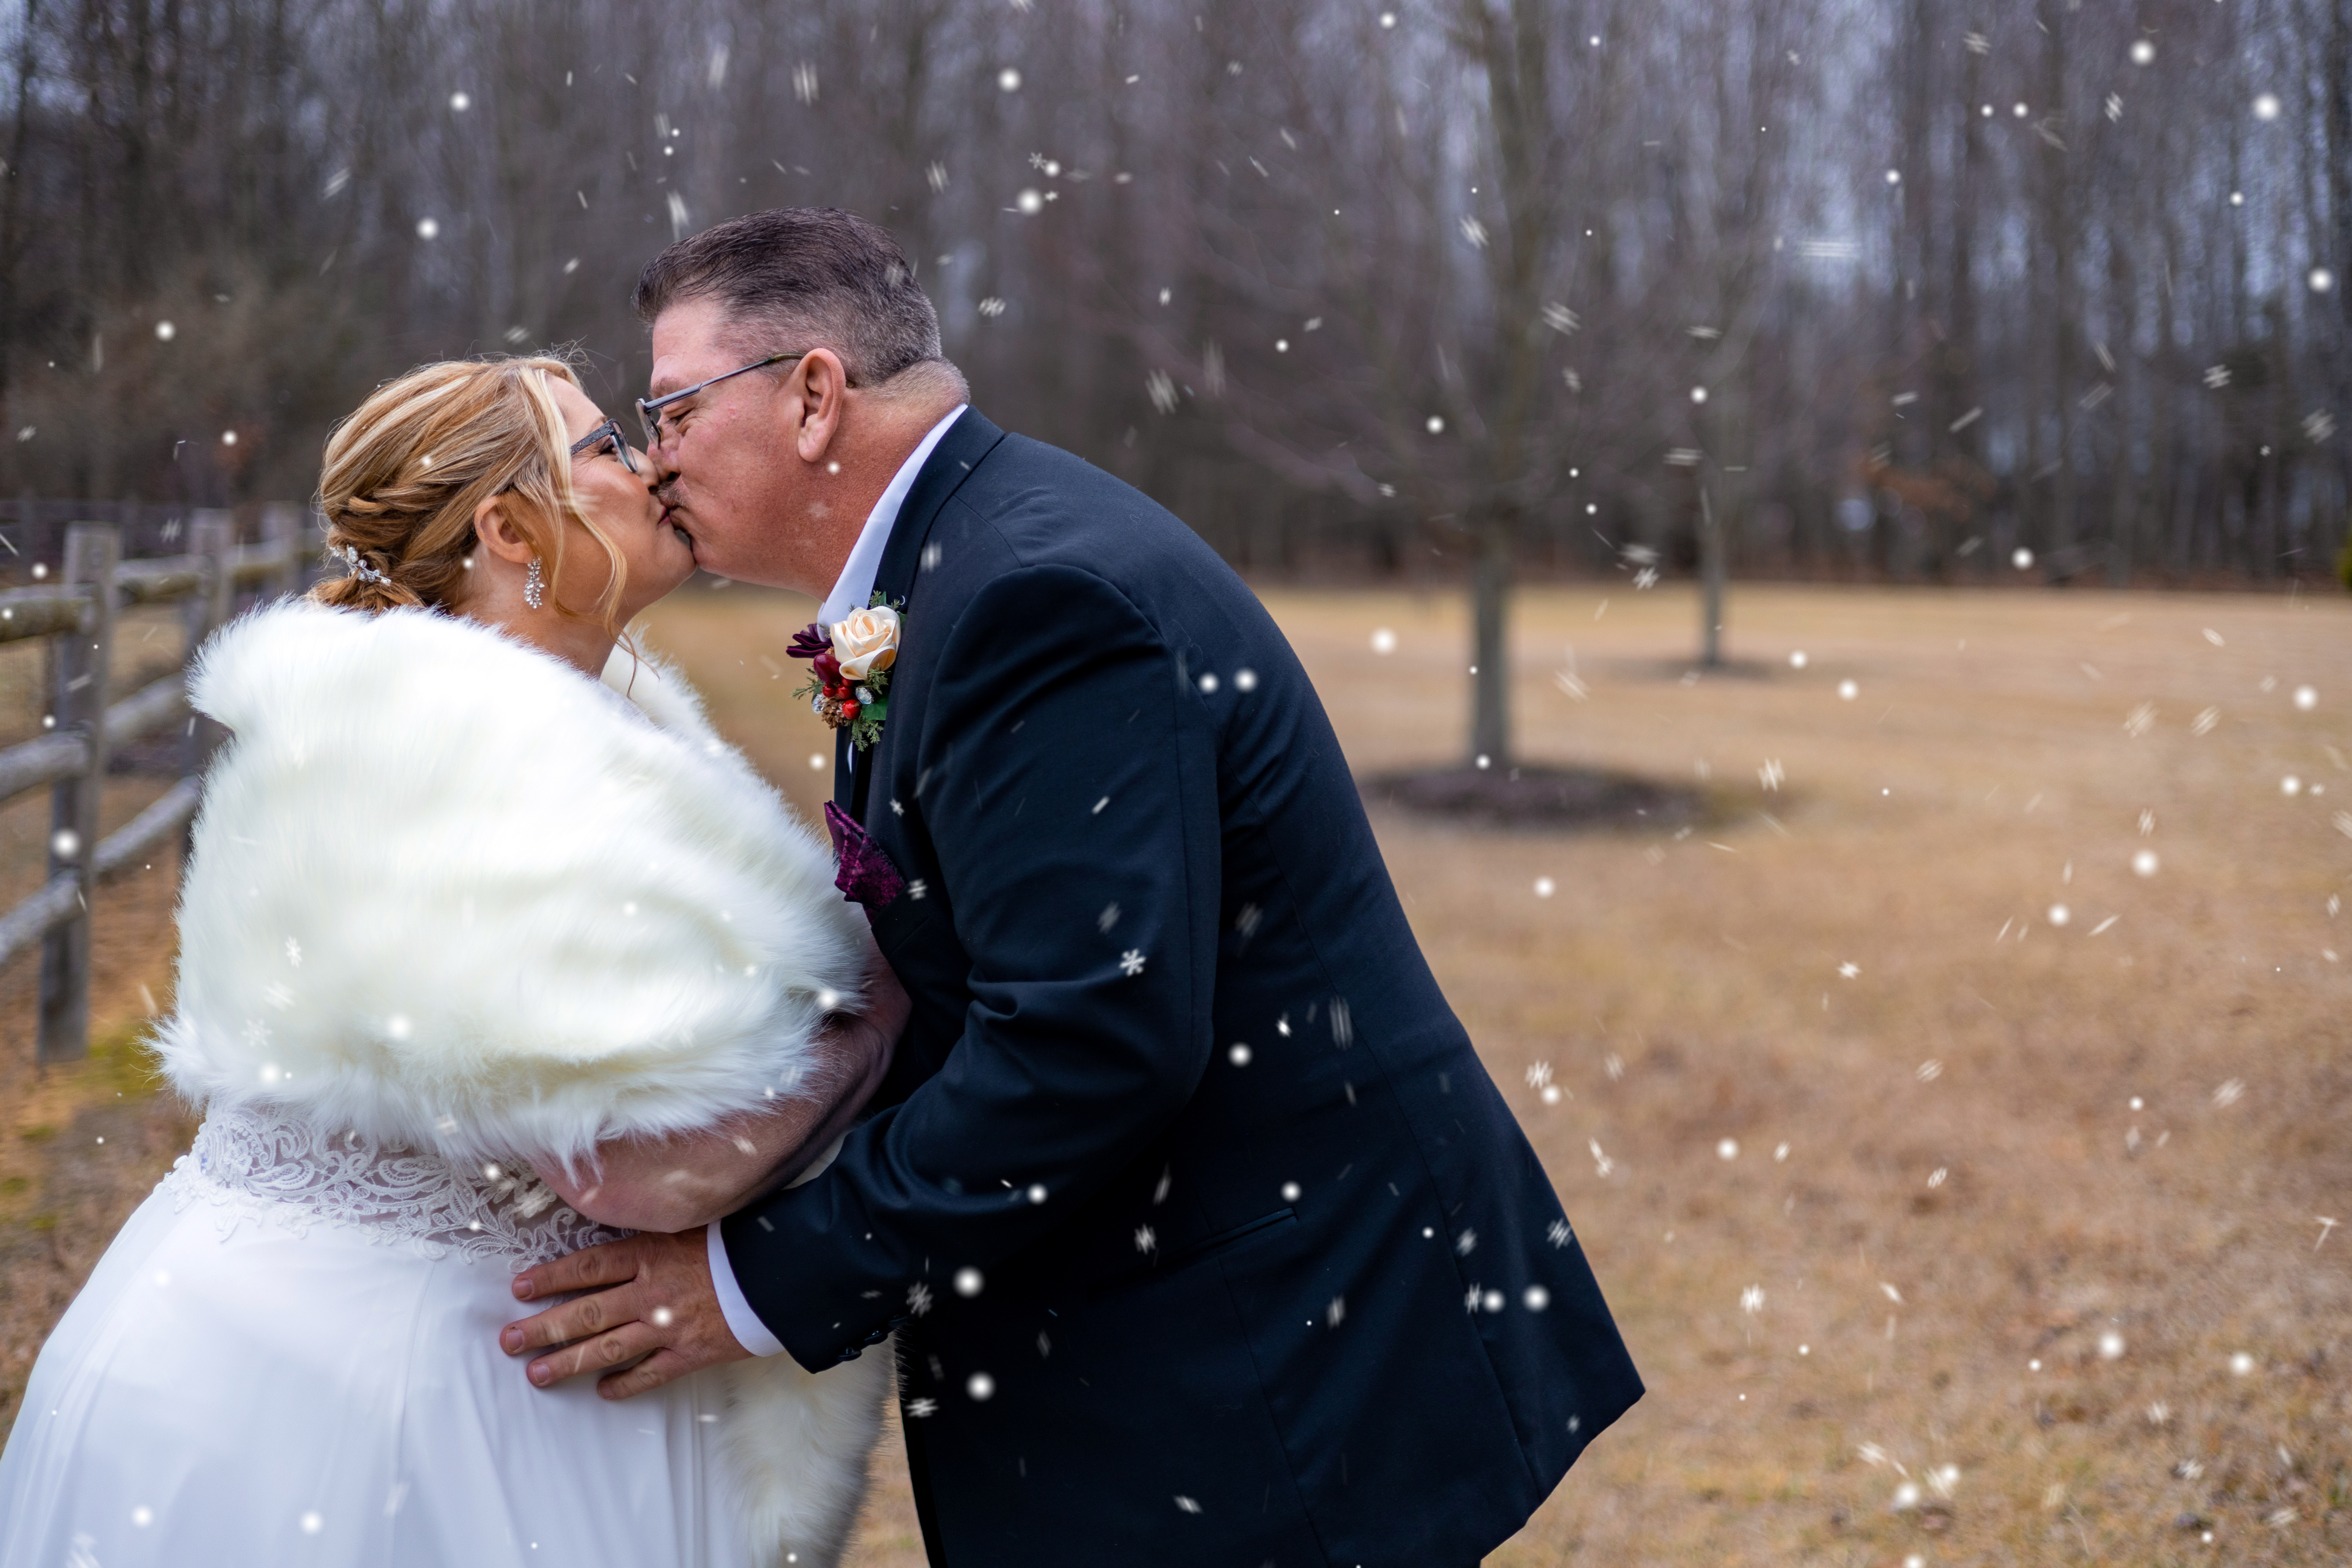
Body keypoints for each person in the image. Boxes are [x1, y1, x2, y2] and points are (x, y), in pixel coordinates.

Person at [503, 207, 1644, 1565]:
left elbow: (1089, 1040)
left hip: (1262, 1357)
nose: (653, 453)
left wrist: (759, 1280)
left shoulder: (1034, 600)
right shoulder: (969, 557)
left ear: (813, 397)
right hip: (1210, 1317)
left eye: (674, 406)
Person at [0, 356, 905, 1567]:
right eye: (599, 450)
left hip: (452, 1365)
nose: (648, 468)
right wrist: (887, 1014)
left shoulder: (568, 717)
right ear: (509, 527)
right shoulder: (457, 767)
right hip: (372, 1405)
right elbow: (643, 1172)